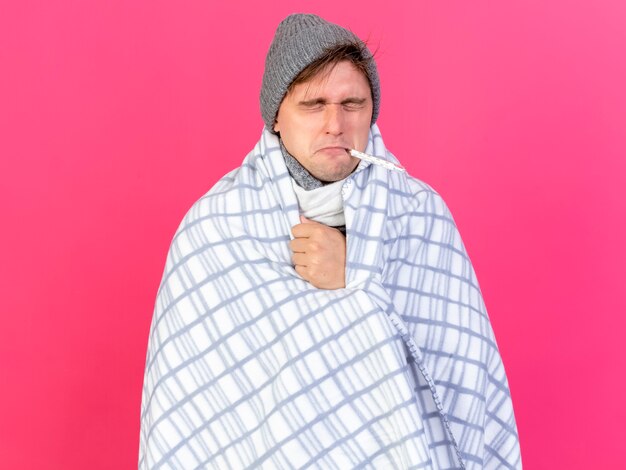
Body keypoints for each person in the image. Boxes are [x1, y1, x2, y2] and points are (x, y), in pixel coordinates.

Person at [139, 13, 521, 469]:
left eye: (352, 103)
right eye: (313, 104)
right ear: (277, 116)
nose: (335, 124)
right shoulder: (216, 228)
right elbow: (185, 418)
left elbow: (465, 382)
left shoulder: (420, 214)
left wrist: (355, 276)